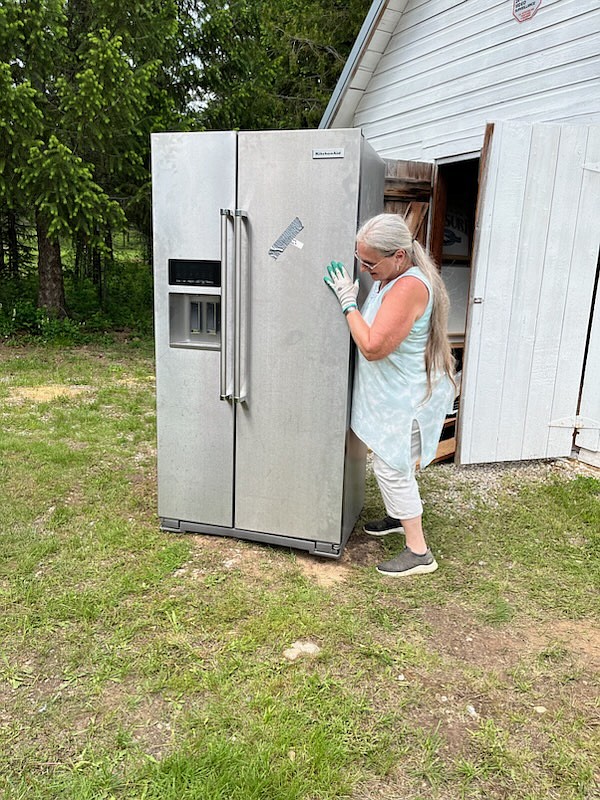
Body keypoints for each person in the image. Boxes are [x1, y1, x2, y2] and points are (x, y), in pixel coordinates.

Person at [324, 213, 455, 577]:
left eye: (369, 262)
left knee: (391, 465)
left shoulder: (409, 286)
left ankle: (418, 552)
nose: (364, 270)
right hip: (395, 392)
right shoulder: (392, 276)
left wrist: (348, 302)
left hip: (406, 398)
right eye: (360, 260)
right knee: (390, 460)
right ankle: (399, 516)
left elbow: (372, 346)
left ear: (399, 255)